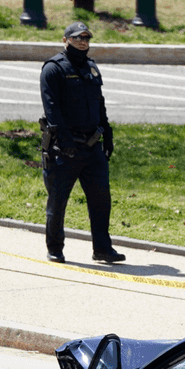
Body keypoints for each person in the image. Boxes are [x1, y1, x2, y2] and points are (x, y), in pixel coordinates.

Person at [39, 21, 125, 265]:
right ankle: (55, 248)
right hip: (64, 149)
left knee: (101, 200)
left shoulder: (91, 67)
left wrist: (107, 133)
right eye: (76, 38)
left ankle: (103, 249)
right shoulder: (53, 69)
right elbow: (52, 109)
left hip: (92, 147)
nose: (82, 42)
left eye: (86, 38)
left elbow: (99, 104)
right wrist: (65, 141)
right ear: (65, 40)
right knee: (57, 202)